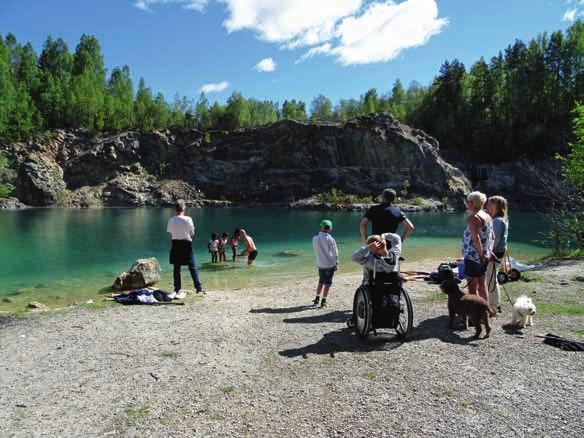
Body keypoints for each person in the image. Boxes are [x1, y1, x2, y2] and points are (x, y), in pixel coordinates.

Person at [167, 200, 204, 295]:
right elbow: (192, 233)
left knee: (176, 267)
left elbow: (170, 234)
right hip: (186, 243)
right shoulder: (188, 219)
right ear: (184, 208)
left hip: (175, 243)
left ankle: (176, 289)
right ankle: (199, 289)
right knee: (192, 266)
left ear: (175, 209)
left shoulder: (171, 220)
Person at [462, 191, 493, 302]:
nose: (466, 203)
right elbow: (491, 237)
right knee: (482, 283)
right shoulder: (487, 216)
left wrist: (481, 255)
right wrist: (488, 252)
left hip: (474, 256)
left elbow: (476, 239)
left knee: (472, 288)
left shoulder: (473, 218)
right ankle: (485, 310)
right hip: (484, 255)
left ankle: (474, 316)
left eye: (467, 201)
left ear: (471, 203)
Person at [486, 195, 509, 313]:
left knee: (491, 280)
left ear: (497, 206)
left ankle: (493, 306)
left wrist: (487, 253)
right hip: (499, 254)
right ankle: (496, 304)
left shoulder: (497, 221)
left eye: (490, 204)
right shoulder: (501, 220)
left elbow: (494, 240)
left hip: (494, 255)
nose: (487, 206)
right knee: (492, 278)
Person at [311, 219, 339, 308]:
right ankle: (323, 301)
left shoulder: (314, 238)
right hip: (329, 264)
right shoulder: (331, 239)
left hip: (320, 264)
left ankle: (316, 298)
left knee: (321, 281)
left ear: (321, 227)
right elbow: (335, 252)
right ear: (330, 229)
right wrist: (336, 263)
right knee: (327, 283)